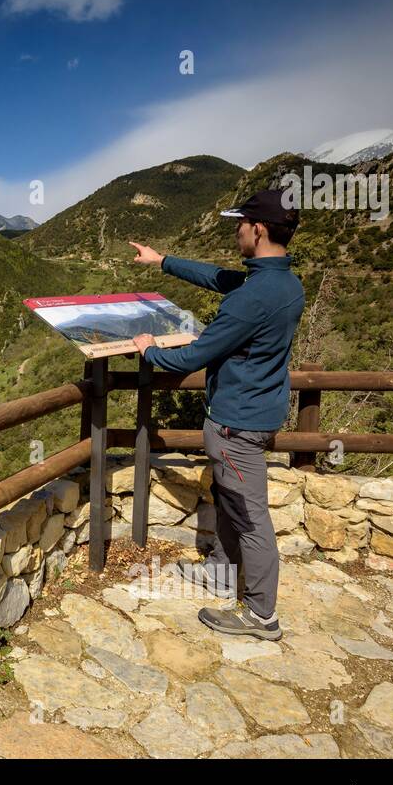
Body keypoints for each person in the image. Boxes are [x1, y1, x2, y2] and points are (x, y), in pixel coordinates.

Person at [128, 188, 304, 641]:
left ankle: (261, 616)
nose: (236, 230)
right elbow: (218, 277)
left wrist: (149, 351)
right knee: (230, 500)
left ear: (258, 229)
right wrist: (162, 261)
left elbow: (194, 357)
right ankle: (221, 572)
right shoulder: (284, 284)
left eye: (240, 223)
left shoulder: (252, 298)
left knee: (250, 517)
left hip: (236, 423)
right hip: (257, 414)